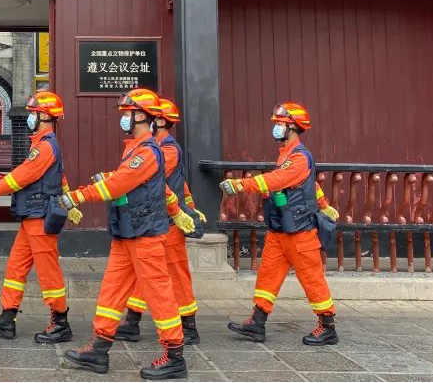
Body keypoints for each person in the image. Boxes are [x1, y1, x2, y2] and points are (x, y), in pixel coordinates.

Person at [57, 88, 190, 381]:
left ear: (142, 116)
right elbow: (158, 188)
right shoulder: (135, 149)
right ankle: (99, 348)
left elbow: (118, 185)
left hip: (144, 235)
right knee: (112, 290)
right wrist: (176, 210)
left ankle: (174, 356)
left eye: (128, 113)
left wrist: (78, 196)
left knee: (159, 293)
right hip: (127, 232)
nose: (124, 118)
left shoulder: (147, 151)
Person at [221, 101, 341, 346]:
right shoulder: (287, 155)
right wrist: (323, 204)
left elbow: (277, 180)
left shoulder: (299, 158)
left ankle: (328, 326)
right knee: (268, 275)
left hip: (300, 231)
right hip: (281, 228)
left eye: (280, 124)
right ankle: (257, 322)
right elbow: (310, 185)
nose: (276, 127)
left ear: (293, 128)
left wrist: (241, 184)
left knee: (312, 279)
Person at [0, 91, 82, 344]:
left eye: (34, 113)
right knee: (16, 267)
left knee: (48, 272)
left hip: (40, 216)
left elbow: (22, 176)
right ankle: (6, 318)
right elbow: (60, 177)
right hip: (32, 216)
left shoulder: (45, 146)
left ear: (46, 116)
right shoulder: (42, 144)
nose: (30, 117)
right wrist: (70, 201)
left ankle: (60, 322)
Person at [115, 97, 205, 346]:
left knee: (176, 272)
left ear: (160, 121)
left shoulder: (167, 150)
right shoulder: (152, 147)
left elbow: (153, 179)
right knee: (144, 271)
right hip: (157, 219)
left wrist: (188, 211)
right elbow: (180, 185)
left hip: (169, 221)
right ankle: (132, 321)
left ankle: (189, 325)